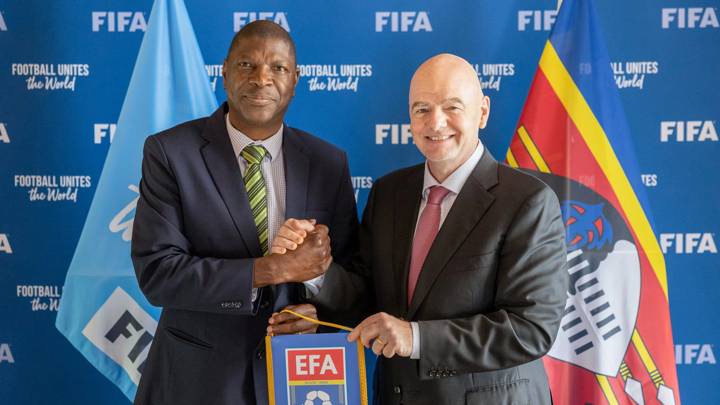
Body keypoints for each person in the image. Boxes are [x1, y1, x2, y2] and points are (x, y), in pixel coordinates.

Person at [269, 54, 568, 404]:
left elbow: (530, 329)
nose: (436, 123)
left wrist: (416, 338)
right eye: (422, 109)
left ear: (483, 111)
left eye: (452, 106)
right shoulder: (389, 193)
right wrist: (314, 270)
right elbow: (367, 298)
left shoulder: (527, 201)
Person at [130, 20, 358, 405]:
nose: (262, 79)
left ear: (296, 79)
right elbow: (158, 274)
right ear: (224, 71)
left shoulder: (327, 163)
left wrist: (317, 295)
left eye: (278, 68)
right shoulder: (171, 153)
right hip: (197, 382)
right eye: (247, 65)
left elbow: (357, 283)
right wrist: (276, 268)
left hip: (296, 384)